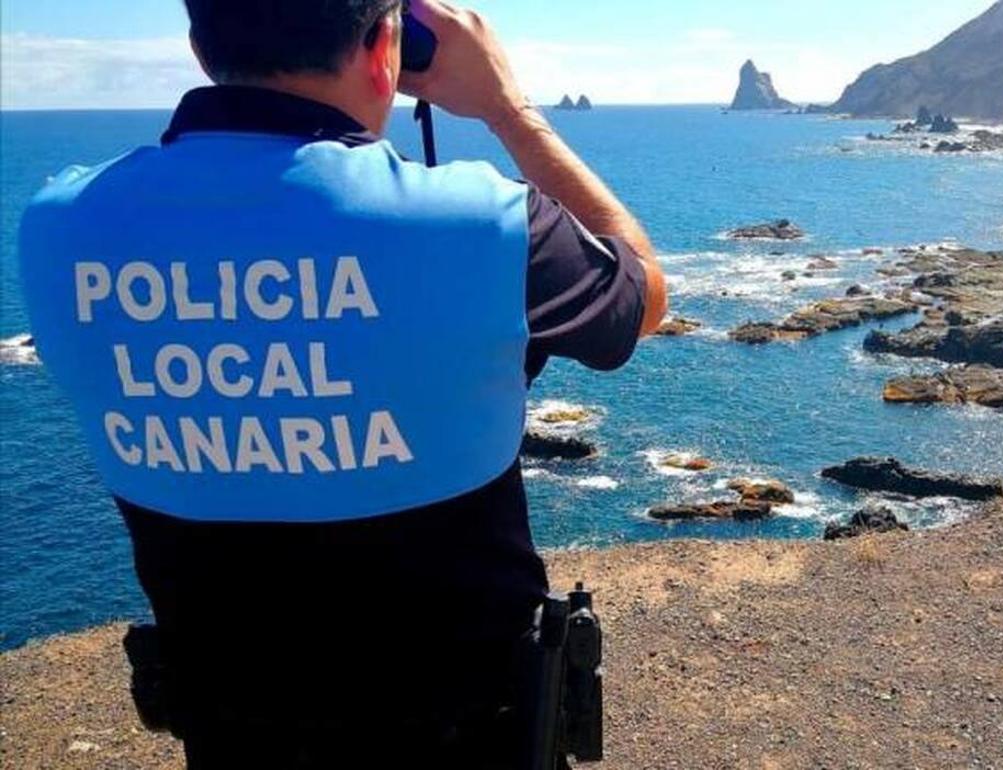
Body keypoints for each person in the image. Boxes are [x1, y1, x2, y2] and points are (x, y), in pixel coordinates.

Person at [18, 0, 666, 766]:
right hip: (471, 734)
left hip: (230, 730)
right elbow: (642, 300)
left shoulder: (57, 221)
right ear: (385, 43)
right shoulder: (480, 221)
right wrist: (505, 107)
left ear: (199, 47)